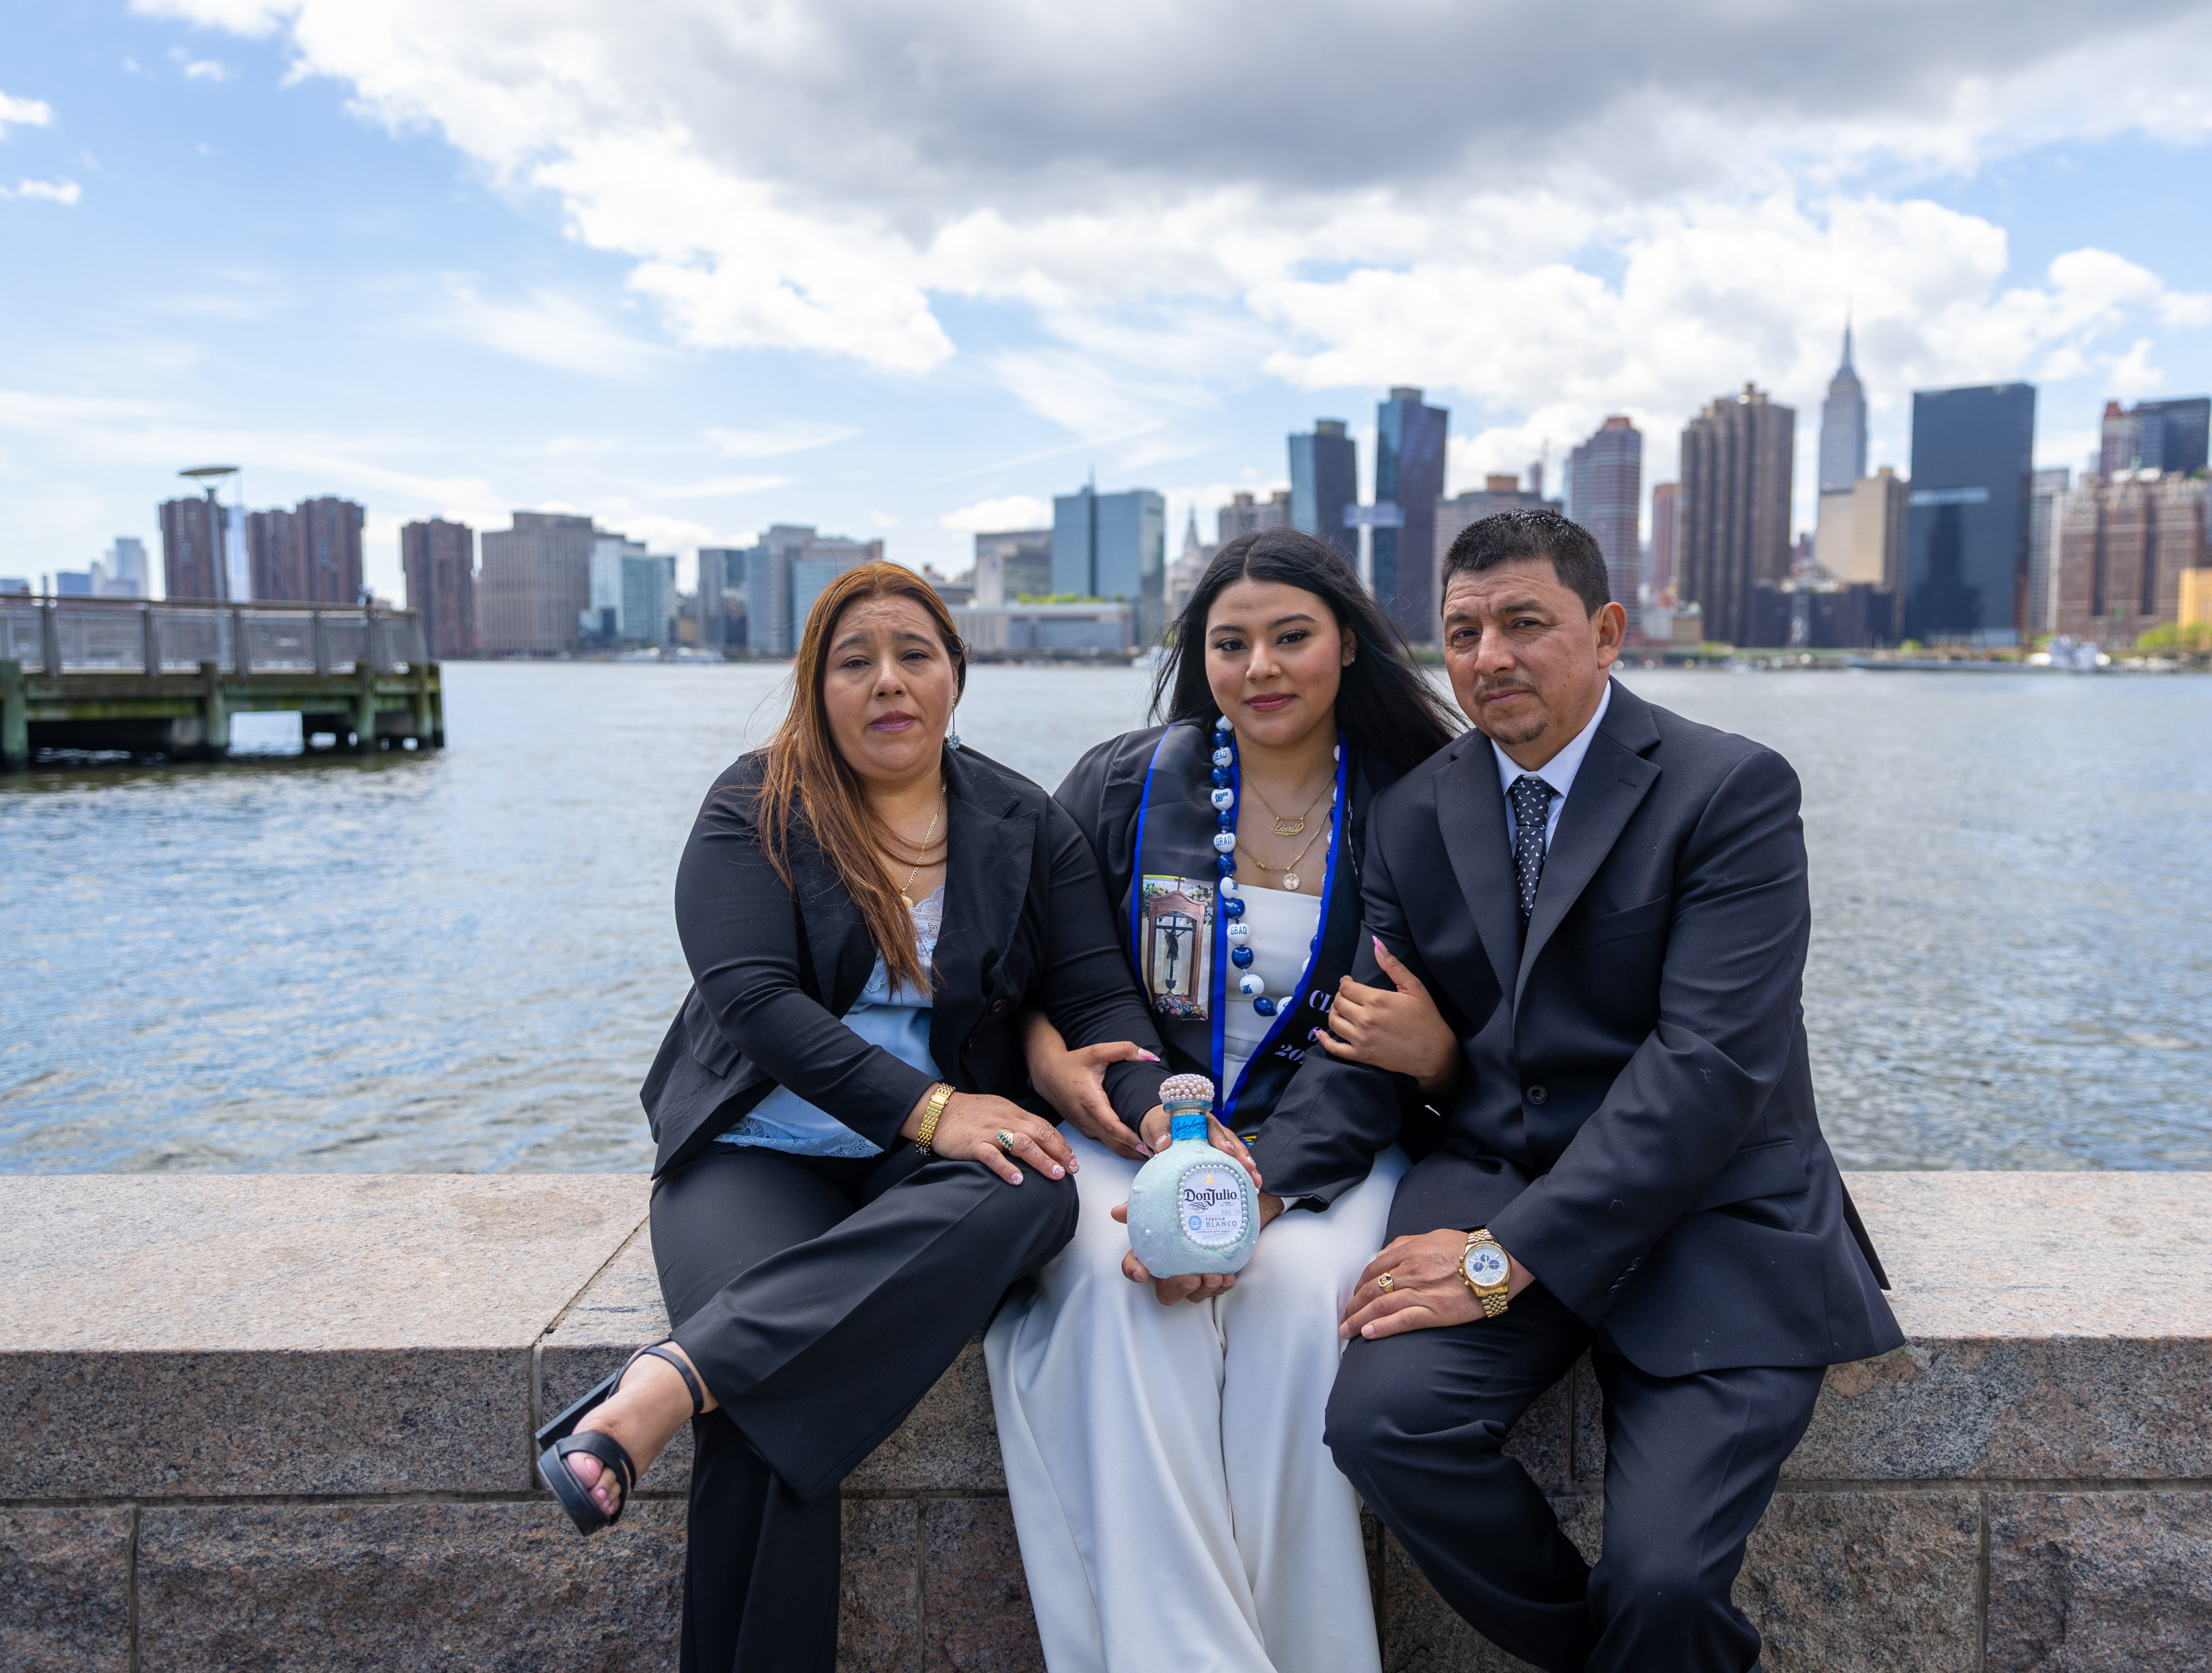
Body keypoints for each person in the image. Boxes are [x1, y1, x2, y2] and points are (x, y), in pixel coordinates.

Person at [1251, 510, 1905, 1673]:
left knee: (1664, 1582)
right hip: (1493, 1181)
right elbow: (1366, 1038)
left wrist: (1504, 1258)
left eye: (1524, 622)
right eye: (1463, 631)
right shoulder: (1414, 814)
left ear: (1606, 632)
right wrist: (1258, 1187)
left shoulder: (1730, 790)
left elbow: (1709, 1069)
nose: (1489, 656)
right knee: (1384, 1428)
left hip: (1712, 1214)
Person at [535, 561, 1169, 1673]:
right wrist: (931, 1108)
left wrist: (1161, 1122)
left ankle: (672, 1378)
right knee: (766, 1396)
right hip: (756, 1148)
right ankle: (704, 1379)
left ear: (955, 675)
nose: (887, 681)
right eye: (854, 661)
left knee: (1040, 1186)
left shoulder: (1024, 823)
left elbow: (1100, 1001)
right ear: (816, 686)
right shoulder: (753, 806)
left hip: (921, 1168)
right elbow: (754, 1003)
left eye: (914, 655)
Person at [986, 527, 1464, 1673]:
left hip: (1329, 1148)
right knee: (1118, 1288)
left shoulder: (1417, 808)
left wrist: (1258, 1192)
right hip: (1138, 1130)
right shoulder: (1124, 786)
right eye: (1230, 643)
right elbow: (1064, 975)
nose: (1261, 668)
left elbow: (1371, 1050)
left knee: (1298, 1301)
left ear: (1348, 644)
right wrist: (1086, 1079)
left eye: (1292, 637)